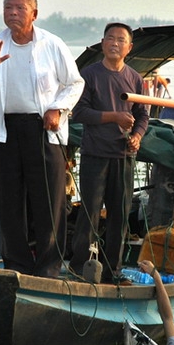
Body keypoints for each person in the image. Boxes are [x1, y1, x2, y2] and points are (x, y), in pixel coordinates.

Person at [0, 0, 84, 278]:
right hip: (7, 130)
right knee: (10, 201)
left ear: (34, 14)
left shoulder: (51, 44)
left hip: (43, 128)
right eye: (7, 8)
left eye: (19, 8)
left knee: (48, 200)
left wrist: (57, 109)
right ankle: (17, 264)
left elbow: (75, 84)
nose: (12, 13)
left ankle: (49, 267)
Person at [69, 23, 149, 283]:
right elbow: (79, 112)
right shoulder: (89, 75)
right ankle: (79, 266)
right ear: (102, 43)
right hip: (95, 154)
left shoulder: (136, 79)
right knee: (90, 212)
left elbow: (143, 116)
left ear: (129, 48)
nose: (115, 43)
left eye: (120, 40)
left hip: (123, 156)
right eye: (110, 38)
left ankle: (112, 271)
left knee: (120, 214)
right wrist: (113, 116)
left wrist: (136, 136)